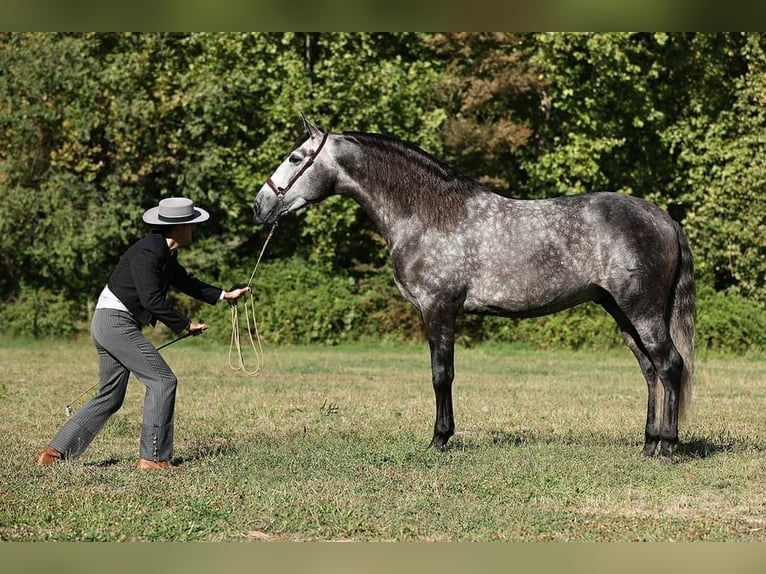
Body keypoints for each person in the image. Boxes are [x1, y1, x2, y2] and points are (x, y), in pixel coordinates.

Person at [37, 197, 250, 470]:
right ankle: (154, 458)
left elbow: (185, 281)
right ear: (179, 228)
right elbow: (151, 300)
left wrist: (225, 295)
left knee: (110, 396)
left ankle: (55, 454)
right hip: (115, 323)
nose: (195, 230)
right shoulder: (148, 252)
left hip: (109, 322)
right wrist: (185, 324)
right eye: (192, 225)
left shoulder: (164, 252)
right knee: (162, 381)